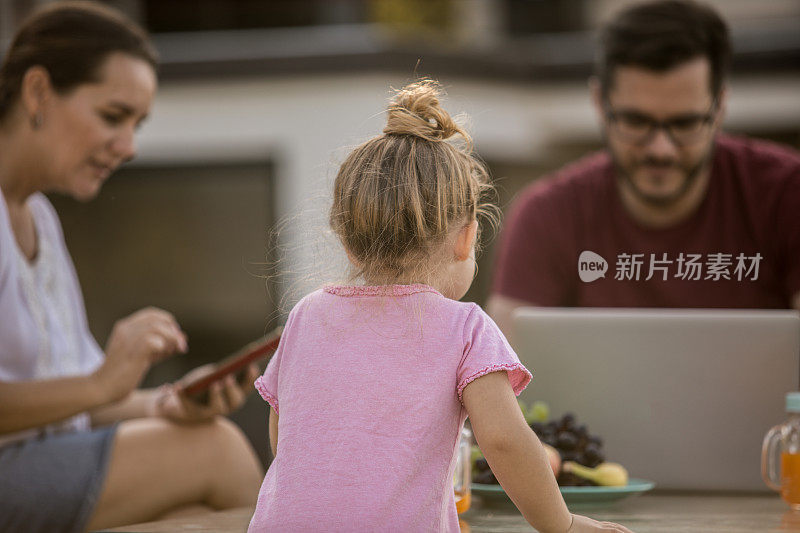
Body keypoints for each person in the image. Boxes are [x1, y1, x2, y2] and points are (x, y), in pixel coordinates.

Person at [247, 80, 632, 532]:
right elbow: (505, 442)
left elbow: (284, 432)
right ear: (467, 236)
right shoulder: (465, 326)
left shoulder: (306, 314)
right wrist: (561, 525)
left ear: (349, 244)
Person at [0, 3, 263, 532]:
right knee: (214, 451)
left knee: (192, 515)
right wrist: (102, 383)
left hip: (43, 464)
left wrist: (165, 405)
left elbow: (74, 404)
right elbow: (91, 391)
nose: (129, 147)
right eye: (113, 116)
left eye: (137, 124)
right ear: (37, 93)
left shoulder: (41, 222)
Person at [488, 0, 800, 338]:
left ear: (719, 107)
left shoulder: (787, 194)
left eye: (685, 123)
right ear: (599, 103)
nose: (660, 149)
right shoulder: (548, 214)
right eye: (637, 121)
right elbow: (500, 368)